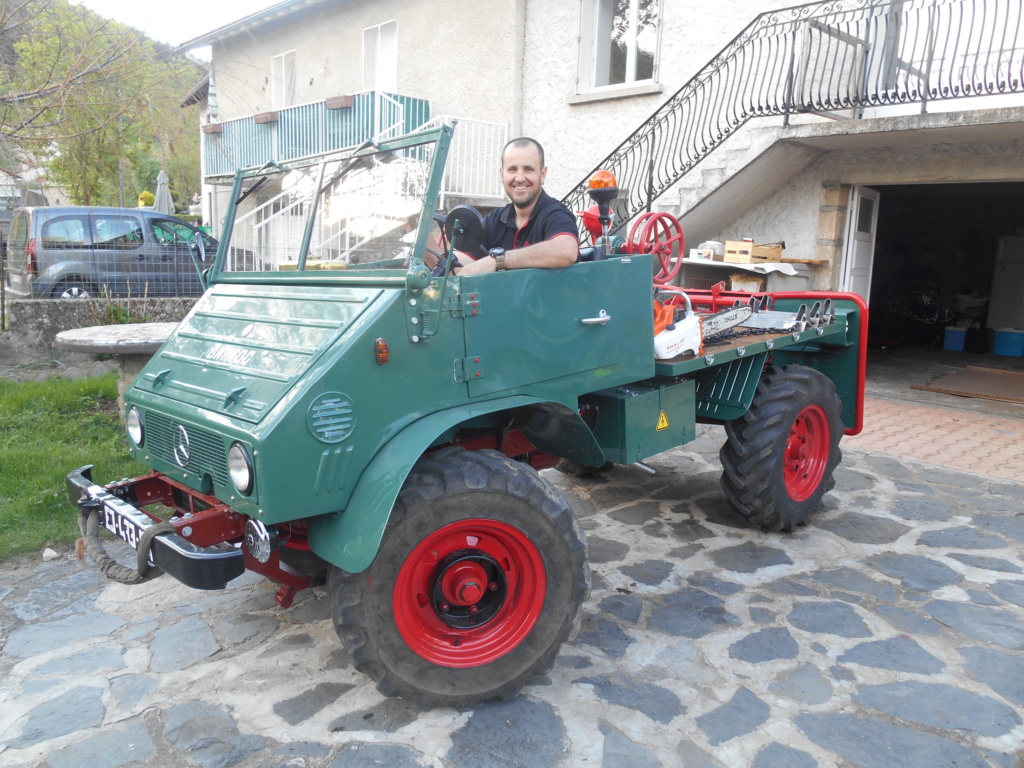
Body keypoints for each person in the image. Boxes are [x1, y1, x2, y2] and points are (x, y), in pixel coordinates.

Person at [455, 137, 579, 275]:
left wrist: (497, 260)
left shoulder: (555, 214)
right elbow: (459, 270)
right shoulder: (494, 220)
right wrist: (428, 246)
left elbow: (566, 250)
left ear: (542, 175)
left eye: (528, 169)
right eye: (512, 169)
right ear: (502, 174)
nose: (519, 178)